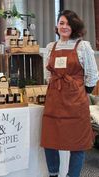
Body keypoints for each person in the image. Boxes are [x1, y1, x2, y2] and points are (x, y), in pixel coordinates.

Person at [41, 10, 99, 177]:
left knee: (77, 144)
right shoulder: (51, 47)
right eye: (61, 23)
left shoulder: (82, 46)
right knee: (49, 140)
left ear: (74, 26)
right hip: (54, 99)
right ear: (57, 26)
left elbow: (93, 75)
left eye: (68, 23)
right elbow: (48, 76)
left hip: (76, 101)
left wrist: (80, 91)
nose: (64, 26)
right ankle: (54, 173)